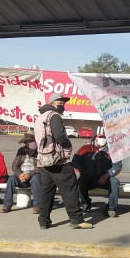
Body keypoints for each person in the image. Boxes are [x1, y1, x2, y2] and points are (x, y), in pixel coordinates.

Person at [35, 93, 93, 230]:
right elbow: (60, 136)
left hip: (43, 160)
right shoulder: (54, 116)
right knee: (70, 190)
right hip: (58, 160)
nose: (63, 105)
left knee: (46, 192)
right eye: (61, 102)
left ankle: (43, 221)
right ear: (53, 103)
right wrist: (67, 145)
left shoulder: (40, 117)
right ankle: (76, 219)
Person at [72, 134, 122, 217]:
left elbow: (117, 165)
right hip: (88, 177)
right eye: (101, 138)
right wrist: (82, 171)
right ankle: (86, 204)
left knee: (115, 182)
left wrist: (107, 174)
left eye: (105, 138)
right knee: (80, 182)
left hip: (105, 178)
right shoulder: (85, 148)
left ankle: (111, 208)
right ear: (95, 138)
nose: (103, 140)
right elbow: (76, 161)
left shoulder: (113, 150)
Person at [0, 132, 42, 214]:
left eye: (33, 141)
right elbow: (15, 165)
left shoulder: (40, 151)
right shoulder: (21, 150)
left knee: (36, 179)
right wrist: (20, 174)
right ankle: (6, 206)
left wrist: (29, 175)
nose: (32, 143)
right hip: (21, 176)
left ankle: (37, 206)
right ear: (26, 143)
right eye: (29, 142)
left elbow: (41, 167)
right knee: (11, 179)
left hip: (33, 176)